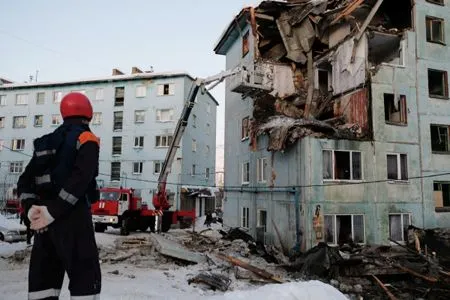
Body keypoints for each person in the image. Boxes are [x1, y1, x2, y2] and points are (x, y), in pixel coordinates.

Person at [17, 92, 101, 300]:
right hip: (73, 219)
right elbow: (82, 178)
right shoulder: (86, 138)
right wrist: (54, 211)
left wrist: (31, 210)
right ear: (88, 111)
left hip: (43, 225)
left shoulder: (45, 142)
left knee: (43, 281)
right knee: (84, 277)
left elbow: (24, 181)